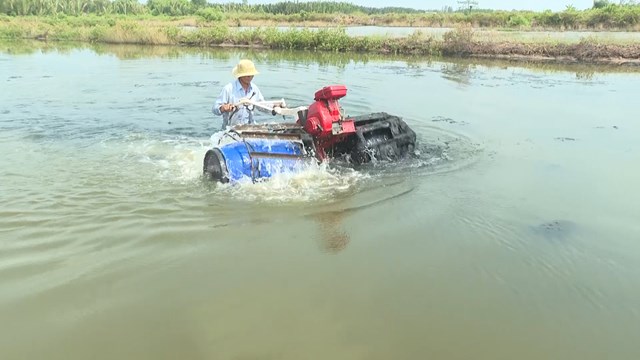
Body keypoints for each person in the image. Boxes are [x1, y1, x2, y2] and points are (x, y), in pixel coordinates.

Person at [212, 59, 274, 129]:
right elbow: (215, 109)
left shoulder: (254, 89)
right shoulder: (228, 89)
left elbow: (262, 106)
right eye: (247, 75)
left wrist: (274, 107)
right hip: (231, 129)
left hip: (249, 128)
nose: (250, 77)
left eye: (251, 74)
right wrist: (223, 108)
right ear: (240, 75)